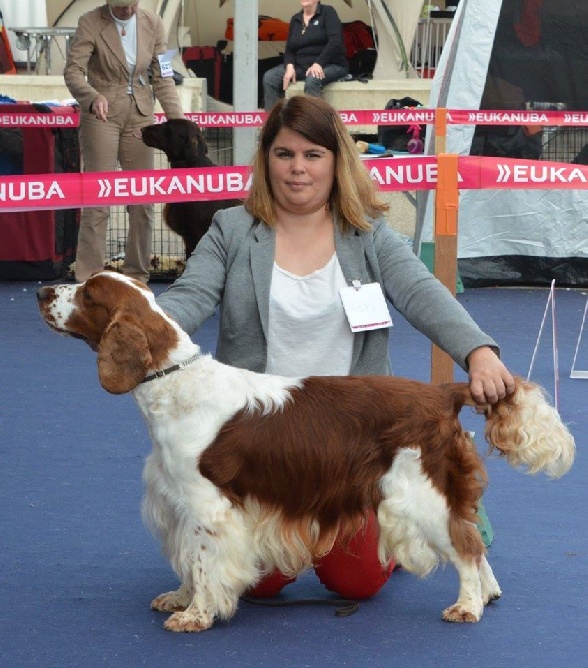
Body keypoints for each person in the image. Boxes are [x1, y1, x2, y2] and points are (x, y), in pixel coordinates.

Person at [156, 95, 515, 601]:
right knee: (258, 584)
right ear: (266, 160)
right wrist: (139, 327)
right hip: (263, 439)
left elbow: (421, 291)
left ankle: (427, 509)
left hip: (354, 439)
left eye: (313, 154)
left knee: (358, 583)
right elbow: (190, 296)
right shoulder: (231, 229)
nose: (298, 169)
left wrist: (478, 351)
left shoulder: (366, 233)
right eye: (284, 154)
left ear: (335, 161)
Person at [64, 0, 184, 284]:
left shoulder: (153, 23)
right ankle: (88, 278)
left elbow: (164, 77)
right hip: (101, 115)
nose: (128, 12)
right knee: (98, 199)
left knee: (142, 201)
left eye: (132, 5)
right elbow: (73, 71)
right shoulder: (90, 22)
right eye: (121, 8)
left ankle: (137, 276)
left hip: (141, 115)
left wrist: (180, 122)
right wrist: (92, 96)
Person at [262, 1, 349, 111]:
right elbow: (289, 49)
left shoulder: (328, 12)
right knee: (270, 77)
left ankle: (315, 125)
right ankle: (274, 124)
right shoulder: (296, 19)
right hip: (301, 66)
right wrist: (289, 66)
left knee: (312, 79)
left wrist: (319, 63)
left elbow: (335, 42)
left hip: (330, 64)